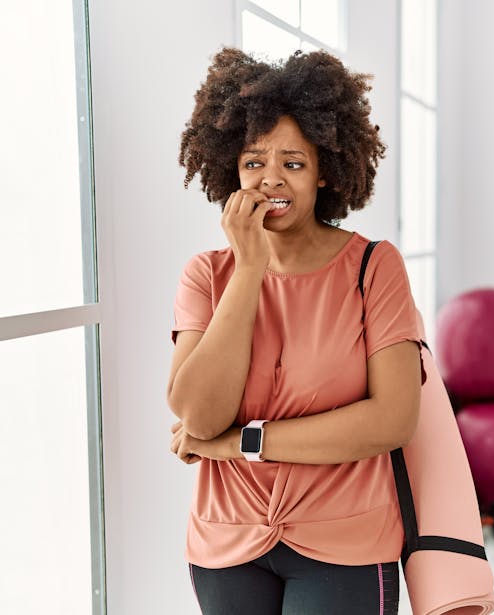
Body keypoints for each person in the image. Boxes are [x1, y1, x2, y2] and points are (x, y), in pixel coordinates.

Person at [168, 47, 422, 615]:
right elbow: (199, 417)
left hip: (347, 542)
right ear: (231, 168)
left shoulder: (374, 267)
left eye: (294, 163)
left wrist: (240, 443)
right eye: (254, 162)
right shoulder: (207, 275)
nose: (270, 180)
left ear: (325, 169)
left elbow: (392, 419)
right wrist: (251, 266)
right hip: (227, 541)